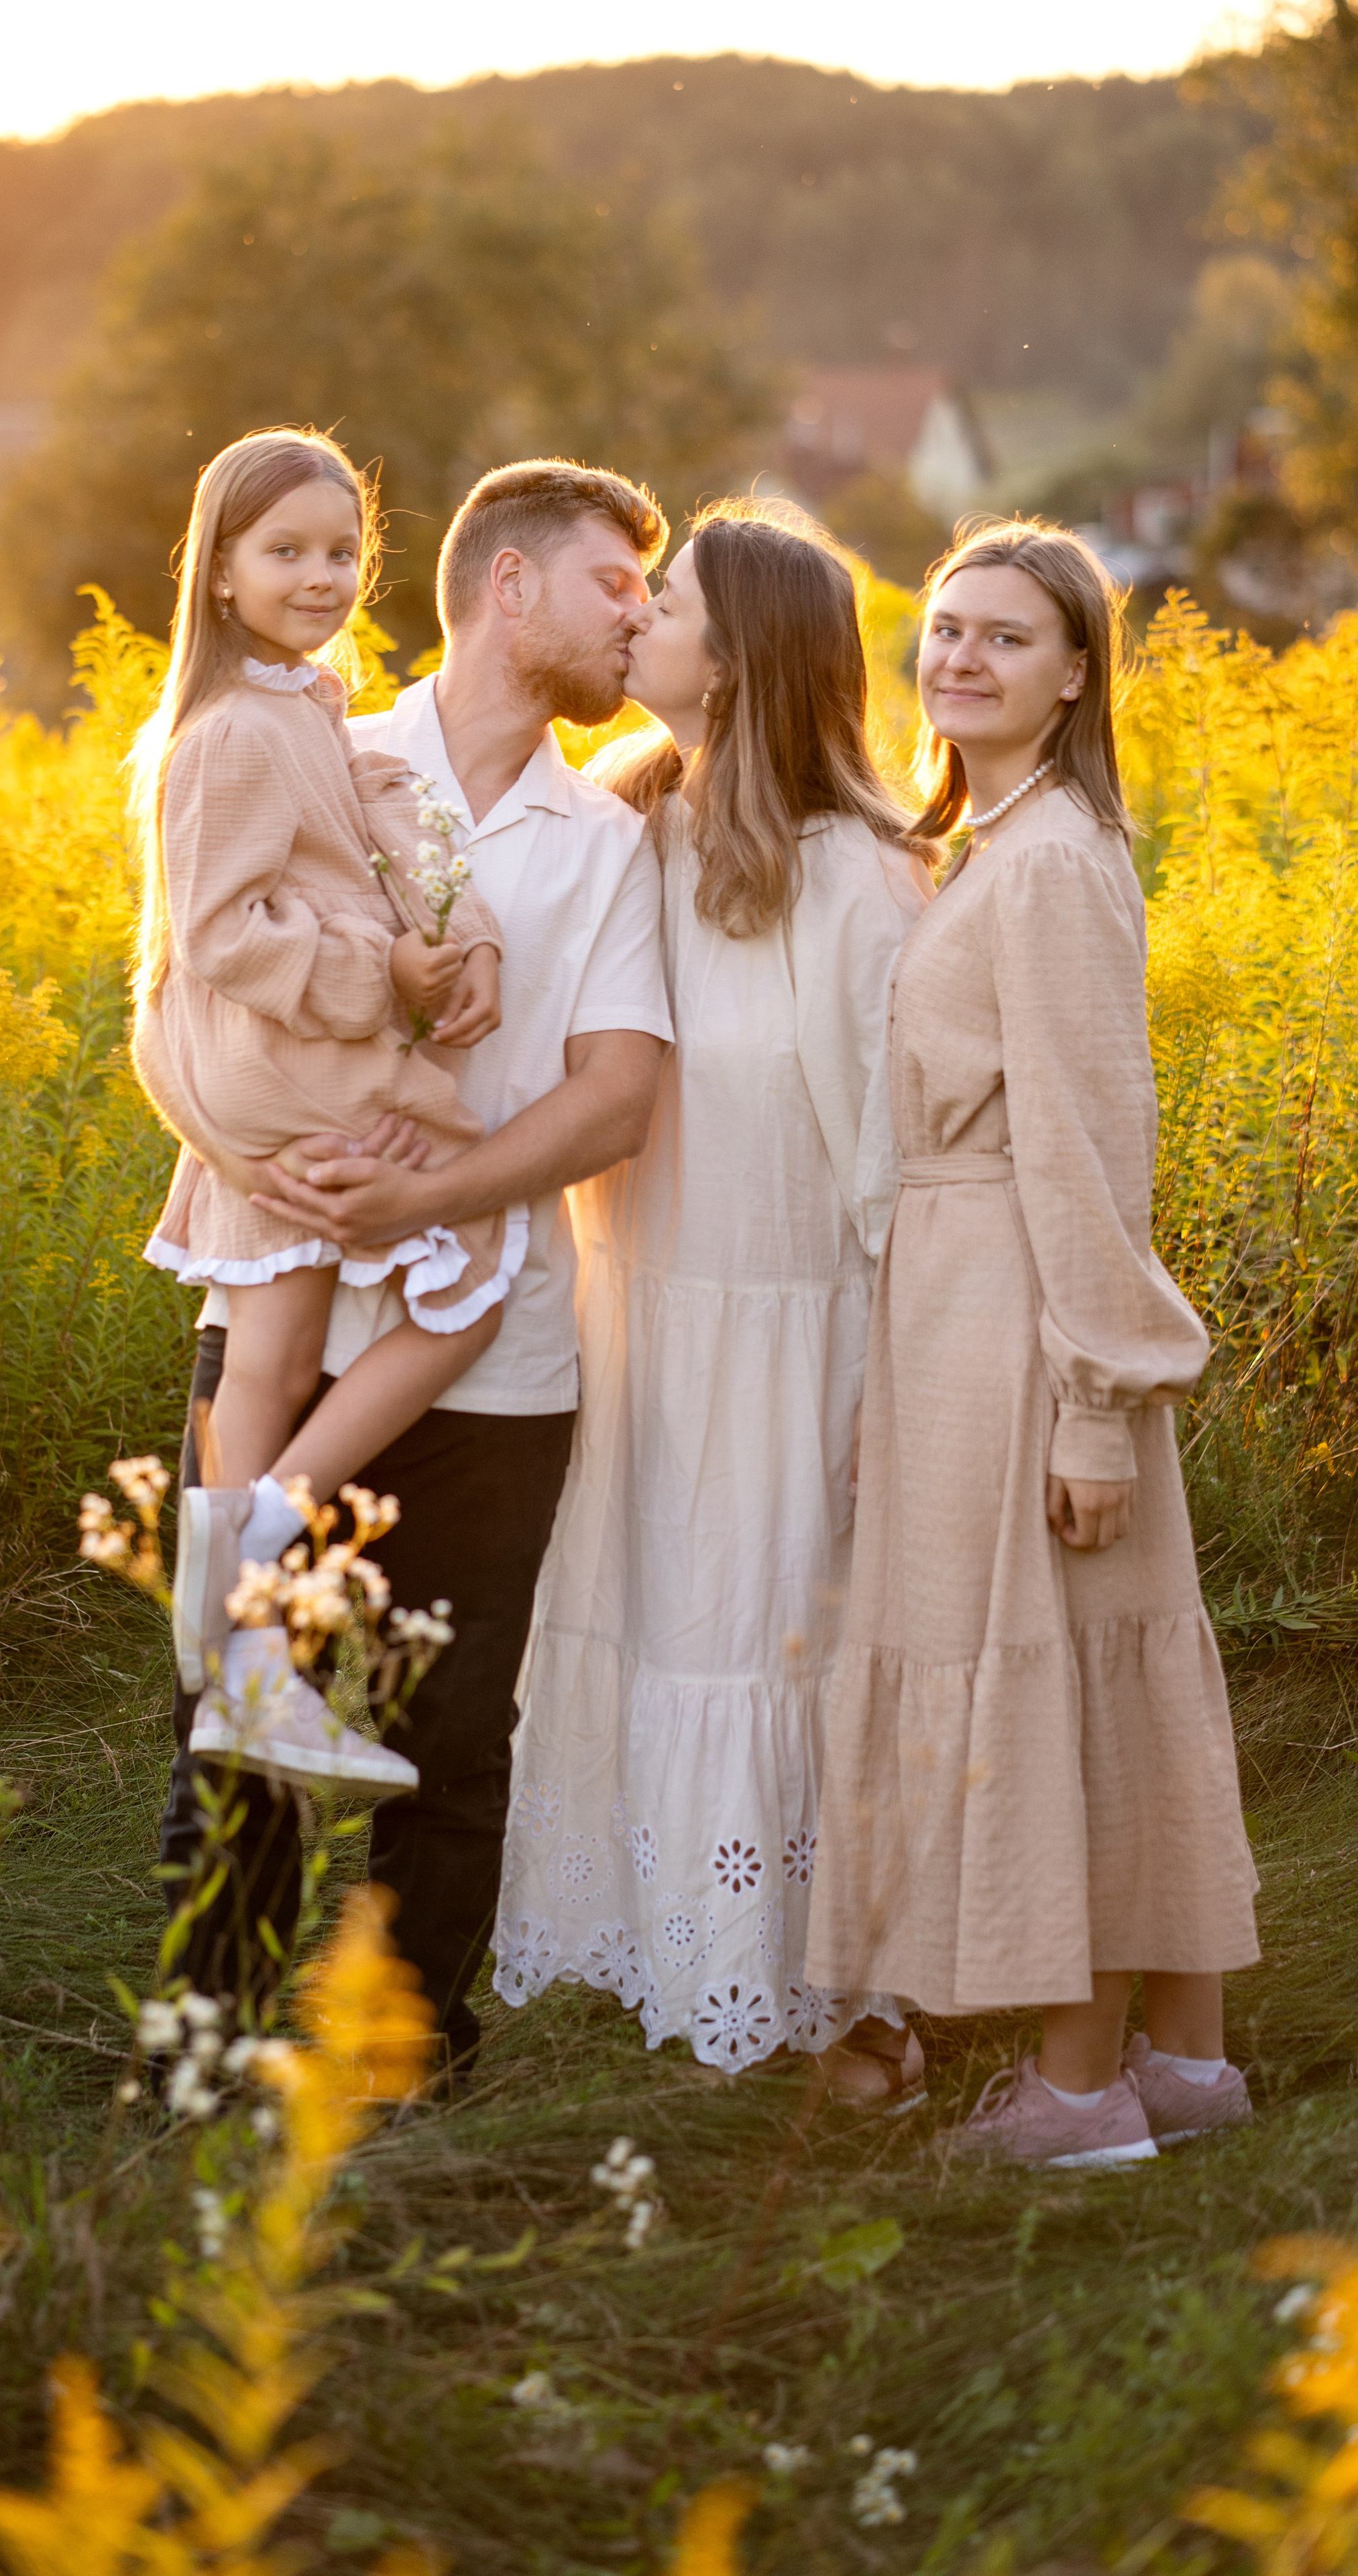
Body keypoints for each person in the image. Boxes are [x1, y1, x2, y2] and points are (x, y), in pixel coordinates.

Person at [159, 459, 675, 2071]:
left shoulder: (605, 844)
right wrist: (262, 1169)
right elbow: (180, 989)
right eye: (616, 586)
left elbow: (615, 1097)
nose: (639, 621)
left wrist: (428, 1190)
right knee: (229, 1720)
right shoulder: (316, 742)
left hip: (496, 1352)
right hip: (287, 1311)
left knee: (452, 1739)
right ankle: (209, 2061)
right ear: (507, 588)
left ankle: (402, 2061)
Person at [803, 521, 1260, 2167]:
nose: (961, 658)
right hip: (976, 1296)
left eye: (1006, 636)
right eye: (942, 630)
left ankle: (1072, 2096)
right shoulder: (999, 845)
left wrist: (1089, 1403)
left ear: (1075, 673)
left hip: (1022, 1317)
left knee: (1062, 1675)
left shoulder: (1054, 862)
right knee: (1104, 1657)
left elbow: (1088, 1149)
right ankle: (1184, 2062)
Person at [491, 503, 933, 2096]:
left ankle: (838, 1994)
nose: (628, 615)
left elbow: (898, 1174)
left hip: (791, 1338)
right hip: (631, 1320)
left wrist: (895, 1389)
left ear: (734, 660)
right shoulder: (628, 828)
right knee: (637, 1623)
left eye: (656, 596)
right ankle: (650, 1937)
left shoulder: (856, 880)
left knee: (771, 1650)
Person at [130, 427, 532, 1793]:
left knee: (275, 1340)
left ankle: (240, 1644)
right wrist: (386, 977)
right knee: (472, 1263)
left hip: (266, 1056)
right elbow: (225, 931)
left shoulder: (298, 703)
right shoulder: (233, 733)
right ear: (221, 571)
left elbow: (397, 820)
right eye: (283, 551)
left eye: (339, 551)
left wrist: (459, 934)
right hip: (283, 1050)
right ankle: (252, 1573)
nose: (319, 575)